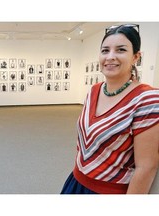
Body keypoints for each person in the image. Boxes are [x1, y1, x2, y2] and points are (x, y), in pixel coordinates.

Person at [61, 24, 159, 194]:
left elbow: (146, 168)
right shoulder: (94, 90)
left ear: (136, 57)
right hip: (76, 181)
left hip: (108, 191)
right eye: (105, 50)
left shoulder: (147, 100)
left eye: (121, 50)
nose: (110, 57)